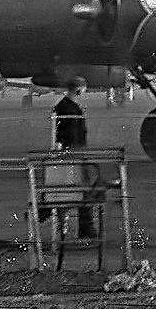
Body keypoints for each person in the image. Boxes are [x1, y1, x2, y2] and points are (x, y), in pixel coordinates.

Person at [50, 77, 99, 238]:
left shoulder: (63, 106)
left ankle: (84, 227)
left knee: (72, 191)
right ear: (78, 90)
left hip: (71, 153)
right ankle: (86, 228)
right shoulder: (70, 108)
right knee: (85, 189)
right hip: (76, 153)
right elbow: (73, 134)